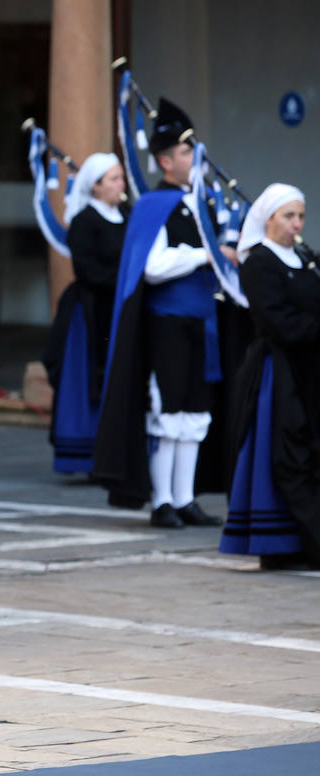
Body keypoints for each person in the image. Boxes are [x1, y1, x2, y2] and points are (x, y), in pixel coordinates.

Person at [93, 99, 236, 528]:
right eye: (186, 153)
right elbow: (152, 268)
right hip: (168, 322)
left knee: (194, 412)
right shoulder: (154, 205)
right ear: (164, 160)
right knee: (167, 411)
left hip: (201, 322)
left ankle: (186, 497)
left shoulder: (202, 203)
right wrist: (203, 255)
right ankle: (162, 500)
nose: (194, 160)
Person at [220, 185, 320, 568]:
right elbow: (277, 320)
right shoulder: (260, 262)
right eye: (288, 216)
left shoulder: (304, 258)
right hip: (278, 371)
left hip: (307, 368)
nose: (296, 224)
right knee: (285, 453)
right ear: (269, 219)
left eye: (300, 216)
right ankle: (285, 543)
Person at [44, 153, 128, 474]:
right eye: (114, 179)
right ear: (95, 187)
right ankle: (86, 453)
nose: (121, 185)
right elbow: (87, 269)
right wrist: (123, 281)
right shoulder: (84, 221)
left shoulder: (128, 215)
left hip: (120, 308)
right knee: (89, 378)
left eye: (121, 178)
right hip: (90, 311)